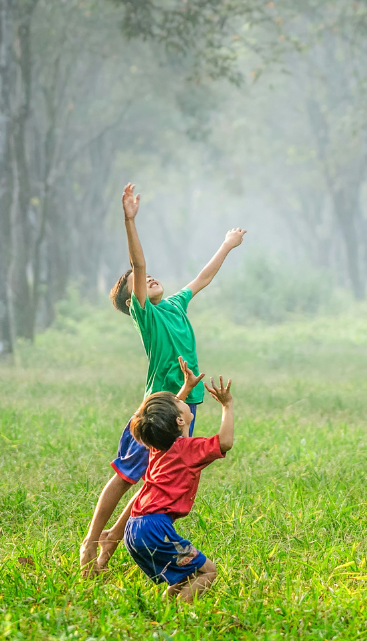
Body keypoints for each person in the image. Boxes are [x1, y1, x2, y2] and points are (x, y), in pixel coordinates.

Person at [79, 182, 245, 575]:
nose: (149, 278)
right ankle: (92, 542)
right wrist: (129, 220)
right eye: (137, 282)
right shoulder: (147, 315)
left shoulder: (173, 304)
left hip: (186, 405)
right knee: (125, 476)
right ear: (130, 301)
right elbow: (138, 264)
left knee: (157, 480)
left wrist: (226, 245)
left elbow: (202, 278)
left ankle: (108, 549)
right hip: (157, 408)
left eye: (151, 276)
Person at [124, 369, 235, 602]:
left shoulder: (158, 446)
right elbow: (225, 442)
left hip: (134, 528)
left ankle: (163, 610)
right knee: (208, 571)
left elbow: (167, 418)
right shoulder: (189, 450)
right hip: (156, 530)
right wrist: (227, 405)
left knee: (184, 576)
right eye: (178, 402)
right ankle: (178, 616)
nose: (180, 399)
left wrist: (184, 390)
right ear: (179, 420)